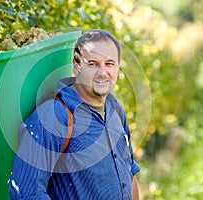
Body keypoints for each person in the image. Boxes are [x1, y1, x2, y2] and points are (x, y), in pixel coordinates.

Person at [8, 29, 141, 200]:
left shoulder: (115, 110)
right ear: (76, 65)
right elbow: (26, 193)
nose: (102, 72)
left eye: (109, 64)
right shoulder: (53, 116)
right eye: (92, 64)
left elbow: (129, 172)